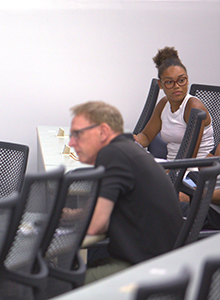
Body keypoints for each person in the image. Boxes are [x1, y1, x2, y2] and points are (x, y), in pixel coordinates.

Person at [68, 101, 183, 283]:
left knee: (64, 283)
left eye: (77, 134)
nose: (71, 142)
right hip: (162, 261)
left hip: (148, 270)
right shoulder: (126, 150)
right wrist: (75, 214)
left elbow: (95, 226)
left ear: (103, 132)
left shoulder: (112, 154)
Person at [134, 46, 214, 161]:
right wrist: (132, 139)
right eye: (169, 82)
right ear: (160, 84)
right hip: (171, 166)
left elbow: (188, 159)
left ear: (187, 80)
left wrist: (163, 171)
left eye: (181, 80)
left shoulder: (193, 107)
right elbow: (146, 136)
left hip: (191, 172)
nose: (177, 86)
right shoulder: (164, 104)